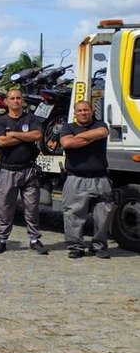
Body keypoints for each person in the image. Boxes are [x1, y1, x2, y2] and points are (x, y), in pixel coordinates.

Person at [0, 88, 48, 254]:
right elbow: (1, 141)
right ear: (6, 102)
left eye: (18, 98)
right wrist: (24, 137)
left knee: (32, 207)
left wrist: (13, 134)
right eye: (12, 98)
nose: (16, 101)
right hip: (8, 170)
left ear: (23, 101)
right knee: (5, 207)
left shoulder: (32, 118)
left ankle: (34, 239)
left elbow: (36, 135)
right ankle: (1, 240)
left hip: (29, 170)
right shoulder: (0, 122)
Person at [60, 101, 113, 259]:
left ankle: (99, 246)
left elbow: (102, 133)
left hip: (100, 178)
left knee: (103, 215)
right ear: (75, 114)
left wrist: (78, 139)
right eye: (80, 110)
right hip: (76, 178)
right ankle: (76, 246)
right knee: (73, 214)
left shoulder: (101, 124)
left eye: (86, 110)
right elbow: (67, 142)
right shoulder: (67, 127)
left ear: (91, 111)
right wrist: (90, 137)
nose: (83, 113)